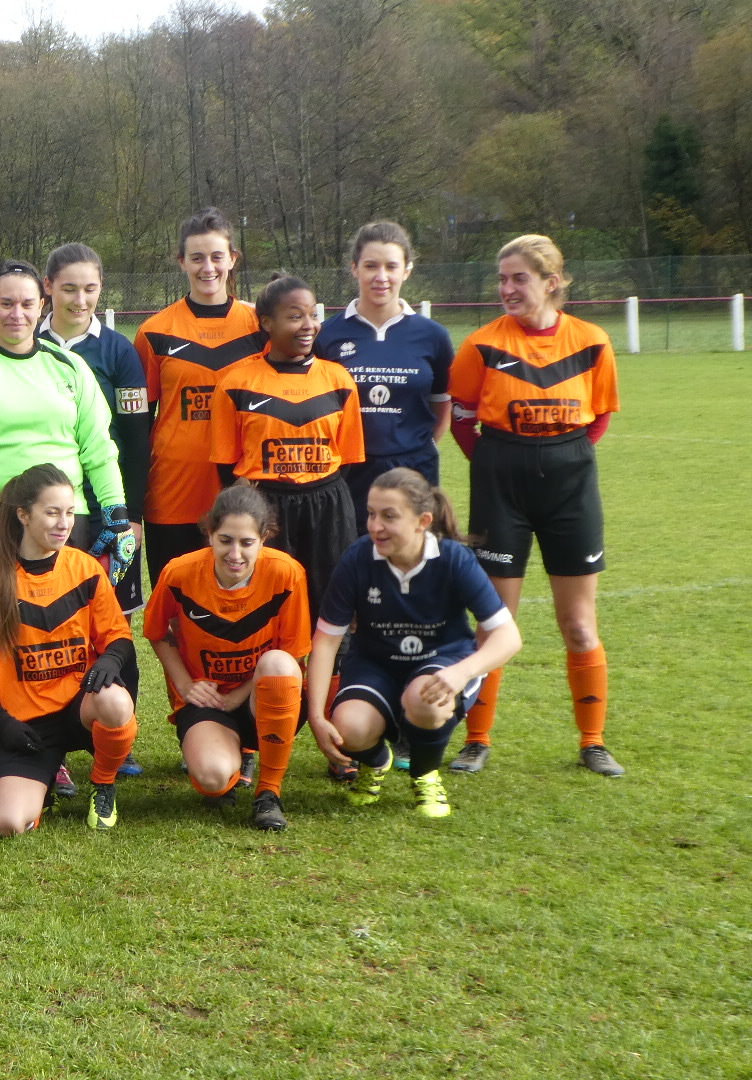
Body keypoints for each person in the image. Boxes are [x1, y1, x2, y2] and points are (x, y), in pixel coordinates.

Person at [0, 260, 137, 787]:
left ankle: (56, 745)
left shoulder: (69, 368)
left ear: (42, 306)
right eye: (5, 303)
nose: (17, 313)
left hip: (65, 519)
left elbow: (98, 447)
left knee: (58, 631)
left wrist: (116, 513)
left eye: (27, 303)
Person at [446, 235, 622, 776]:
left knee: (578, 624)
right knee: (496, 623)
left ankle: (592, 741)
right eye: (502, 279)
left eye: (518, 278)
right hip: (502, 486)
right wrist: (503, 463)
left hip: (571, 486)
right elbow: (461, 419)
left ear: (552, 281)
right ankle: (478, 739)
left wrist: (559, 458)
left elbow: (599, 418)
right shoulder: (480, 345)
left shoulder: (592, 341)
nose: (506, 289)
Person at [306, 468, 523, 817]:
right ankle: (375, 763)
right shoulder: (358, 558)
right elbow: (326, 642)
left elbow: (508, 637)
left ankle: (425, 773)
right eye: (372, 513)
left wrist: (460, 673)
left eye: (389, 516)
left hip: (440, 661)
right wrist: (316, 715)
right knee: (349, 726)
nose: (375, 525)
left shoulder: (453, 560)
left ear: (423, 521)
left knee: (427, 699)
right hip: (375, 665)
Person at [0, 465, 138, 835]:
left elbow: (118, 636)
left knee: (116, 702)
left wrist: (110, 659)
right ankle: (43, 784)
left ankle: (103, 784)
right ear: (23, 515)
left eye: (70, 513)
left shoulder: (85, 568)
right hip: (28, 727)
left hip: (80, 708)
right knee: (7, 823)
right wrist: (3, 724)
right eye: (52, 512)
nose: (64, 523)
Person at [144, 484, 309, 831]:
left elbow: (293, 653)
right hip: (208, 700)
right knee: (212, 778)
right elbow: (157, 632)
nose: (235, 553)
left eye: (247, 542)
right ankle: (234, 760)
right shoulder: (179, 573)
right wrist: (187, 685)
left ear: (264, 538)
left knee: (278, 663)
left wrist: (238, 694)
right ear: (209, 535)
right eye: (225, 540)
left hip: (262, 695)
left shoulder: (286, 573)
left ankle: (269, 792)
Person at [209, 273, 365, 613]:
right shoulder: (236, 383)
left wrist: (315, 486)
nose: (308, 325)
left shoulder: (338, 380)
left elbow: (348, 459)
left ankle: (333, 669)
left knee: (333, 608)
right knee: (274, 609)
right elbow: (225, 465)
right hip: (266, 507)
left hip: (329, 507)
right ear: (267, 322)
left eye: (313, 315)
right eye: (295, 316)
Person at [134, 207, 268, 583]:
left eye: (216, 256)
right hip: (173, 491)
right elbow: (139, 422)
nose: (207, 267)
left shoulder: (261, 325)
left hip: (243, 490)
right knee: (177, 605)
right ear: (182, 262)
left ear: (232, 259)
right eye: (196, 258)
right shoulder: (155, 332)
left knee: (240, 602)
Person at [40, 242, 153, 614]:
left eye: (90, 289)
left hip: (107, 505)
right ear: (48, 286)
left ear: (101, 287)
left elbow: (137, 440)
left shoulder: (119, 351)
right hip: (45, 505)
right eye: (69, 289)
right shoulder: (27, 345)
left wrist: (131, 515)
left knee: (110, 619)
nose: (80, 300)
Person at [314, 221, 455, 513]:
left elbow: (442, 407)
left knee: (410, 556)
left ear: (406, 270)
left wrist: (416, 447)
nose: (381, 277)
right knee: (351, 557)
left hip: (414, 472)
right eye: (370, 266)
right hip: (348, 475)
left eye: (391, 266)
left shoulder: (434, 336)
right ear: (354, 268)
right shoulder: (327, 335)